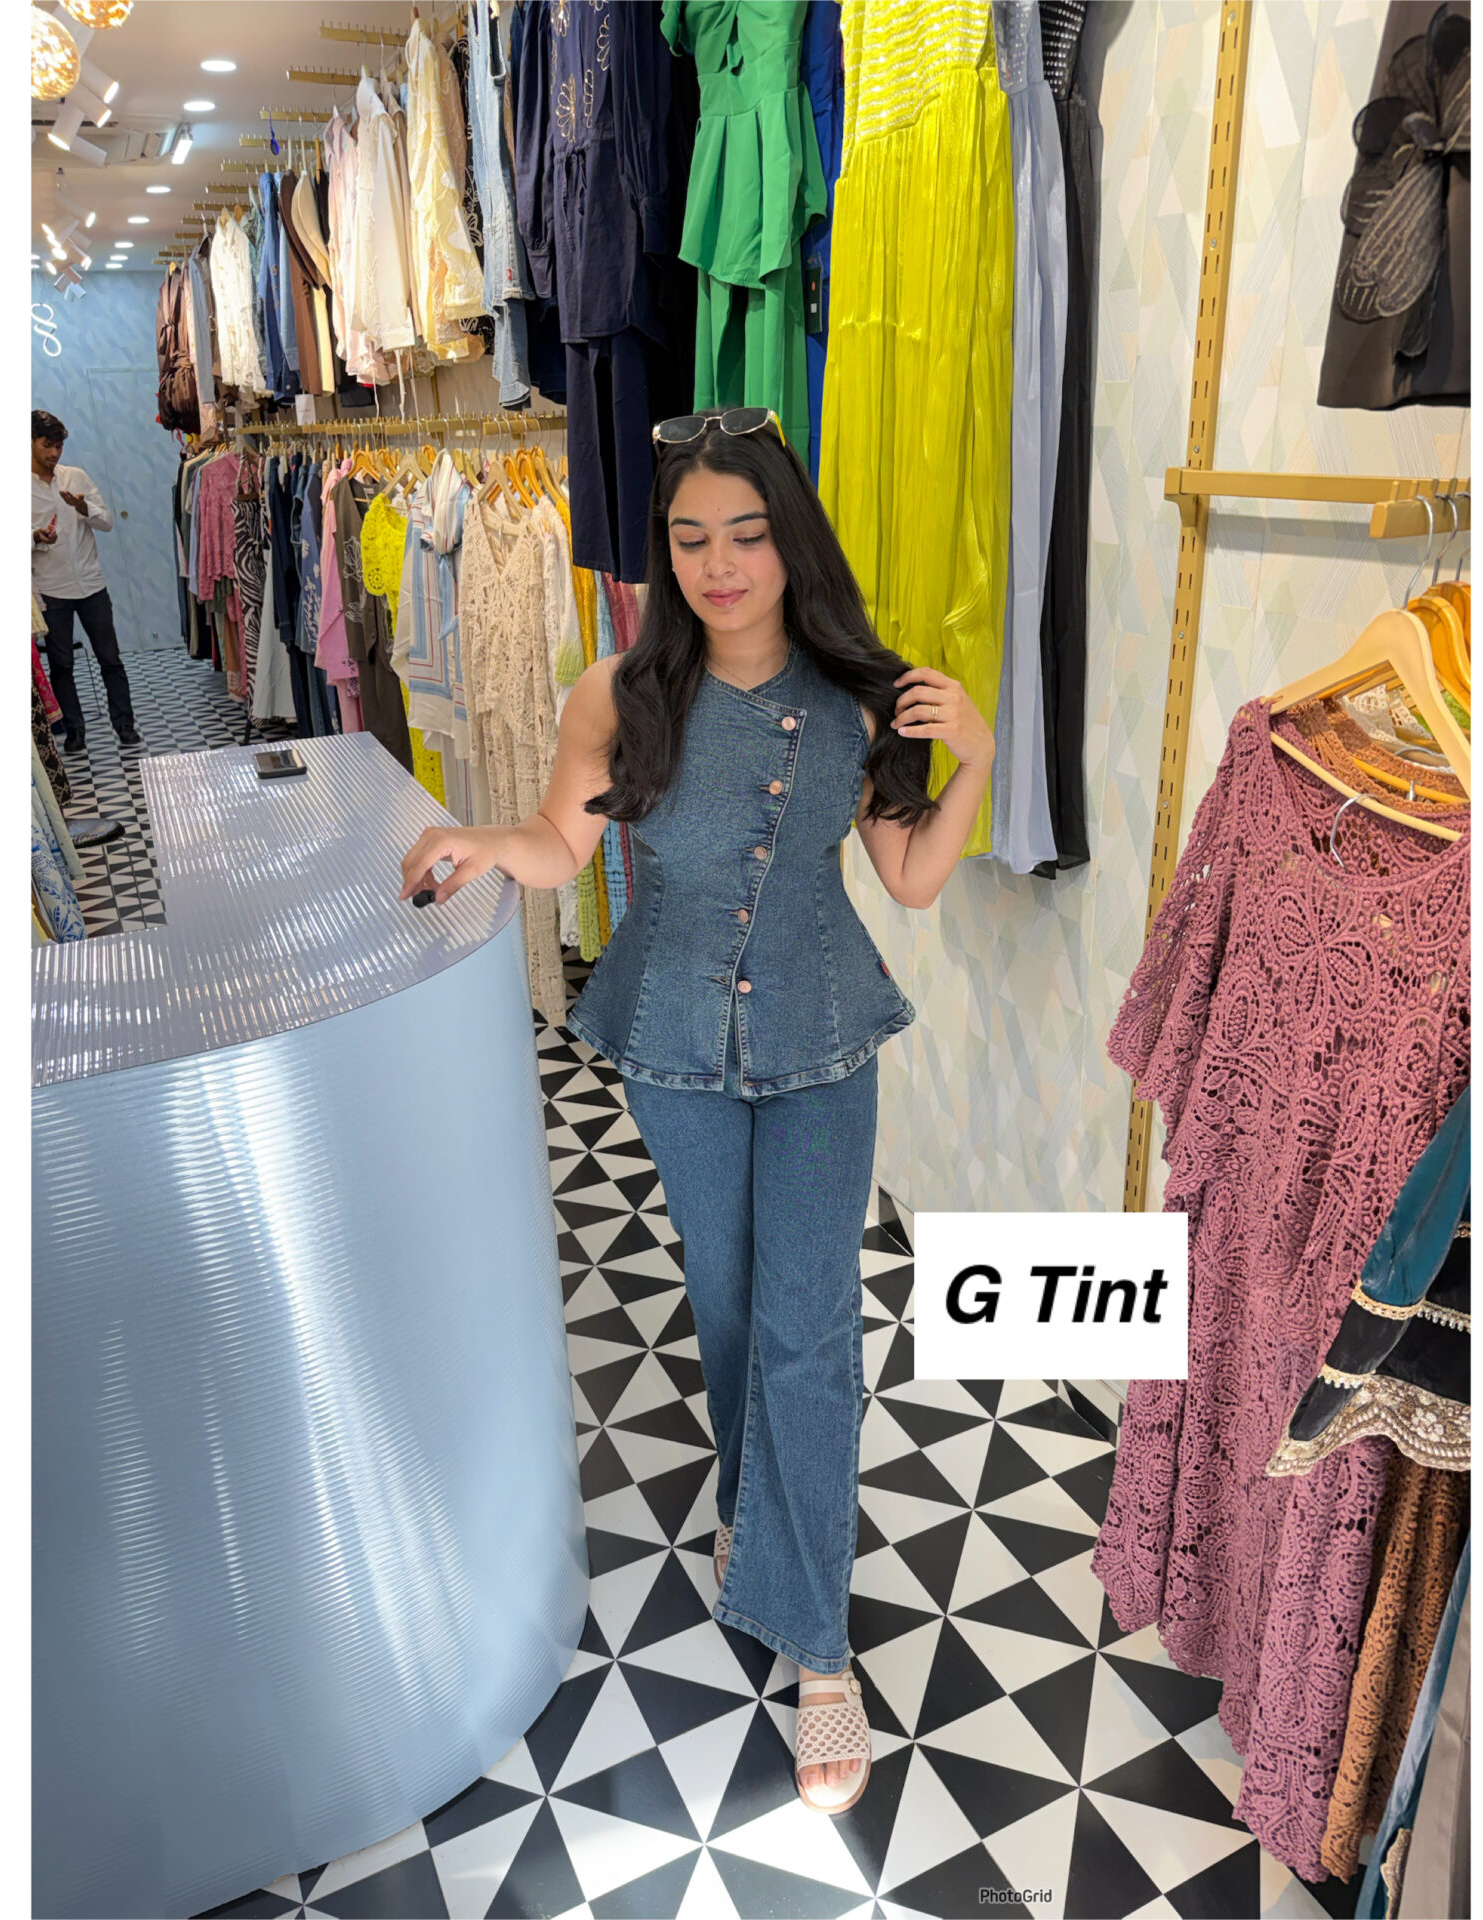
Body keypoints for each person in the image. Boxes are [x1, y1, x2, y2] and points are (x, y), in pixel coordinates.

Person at [399, 408, 994, 1814]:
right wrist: (483, 841)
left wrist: (973, 754)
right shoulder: (619, 693)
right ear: (661, 552)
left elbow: (911, 879)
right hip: (675, 1042)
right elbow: (561, 846)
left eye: (747, 534)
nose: (720, 565)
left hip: (823, 1038)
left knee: (809, 1324)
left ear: (791, 542)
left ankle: (819, 1645)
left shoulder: (862, 696)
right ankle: (753, 1517)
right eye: (689, 538)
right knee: (727, 1308)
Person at [32, 408, 140, 752]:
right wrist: (35, 536)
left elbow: (106, 521)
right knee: (62, 665)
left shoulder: (75, 477)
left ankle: (125, 726)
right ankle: (75, 731)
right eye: (48, 445)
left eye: (59, 446)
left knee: (110, 658)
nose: (55, 452)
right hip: (52, 589)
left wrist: (83, 509)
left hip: (92, 585)